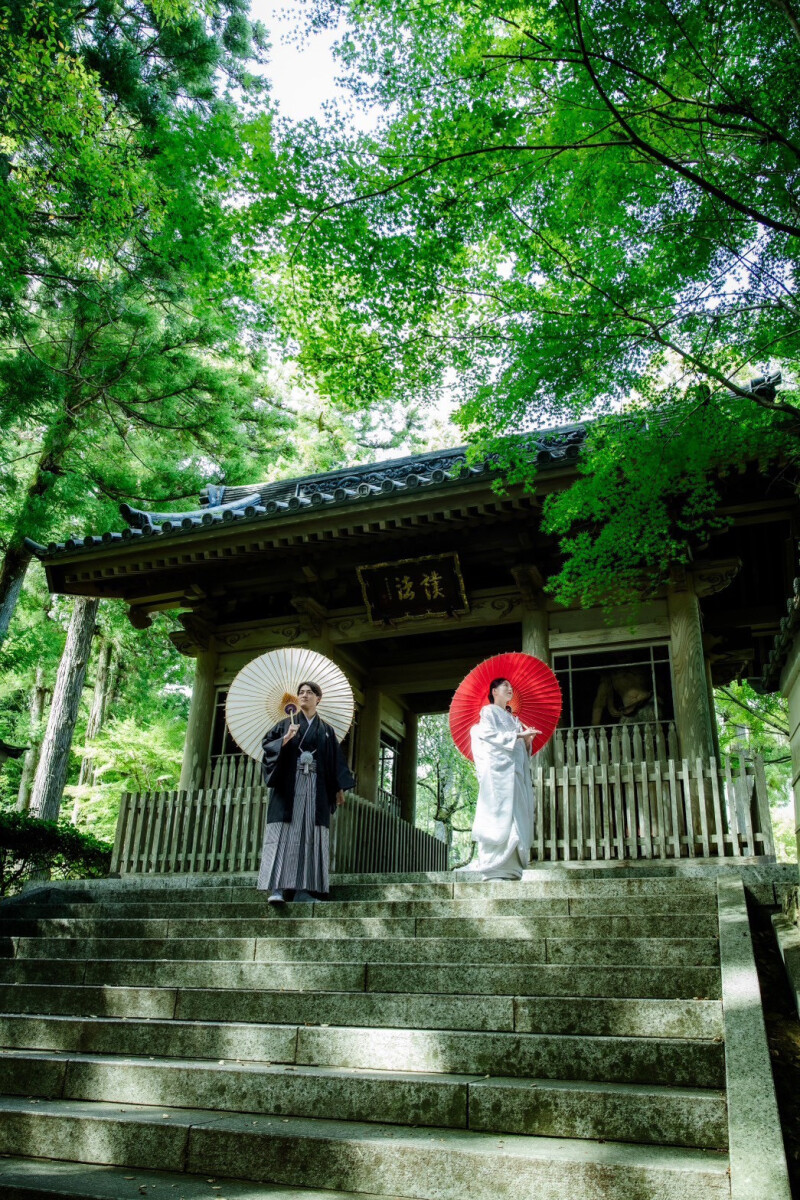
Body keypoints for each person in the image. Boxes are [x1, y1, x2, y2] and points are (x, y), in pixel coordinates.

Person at [257, 680, 355, 903]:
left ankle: (304, 890)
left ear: (318, 699)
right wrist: (285, 739)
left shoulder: (327, 731)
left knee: (309, 835)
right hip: (288, 788)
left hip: (316, 788)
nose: (304, 695)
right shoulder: (285, 725)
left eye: (310, 692)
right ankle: (278, 889)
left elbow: (334, 762)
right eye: (301, 692)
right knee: (284, 833)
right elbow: (267, 746)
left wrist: (339, 788)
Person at [470, 677, 539, 881]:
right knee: (499, 813)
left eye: (511, 687)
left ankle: (513, 867)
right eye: (505, 686)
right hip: (499, 773)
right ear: (494, 691)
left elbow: (521, 749)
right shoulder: (488, 712)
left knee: (516, 814)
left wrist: (527, 741)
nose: (510, 689)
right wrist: (517, 736)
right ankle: (494, 866)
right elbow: (488, 735)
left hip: (515, 771)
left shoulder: (514, 719)